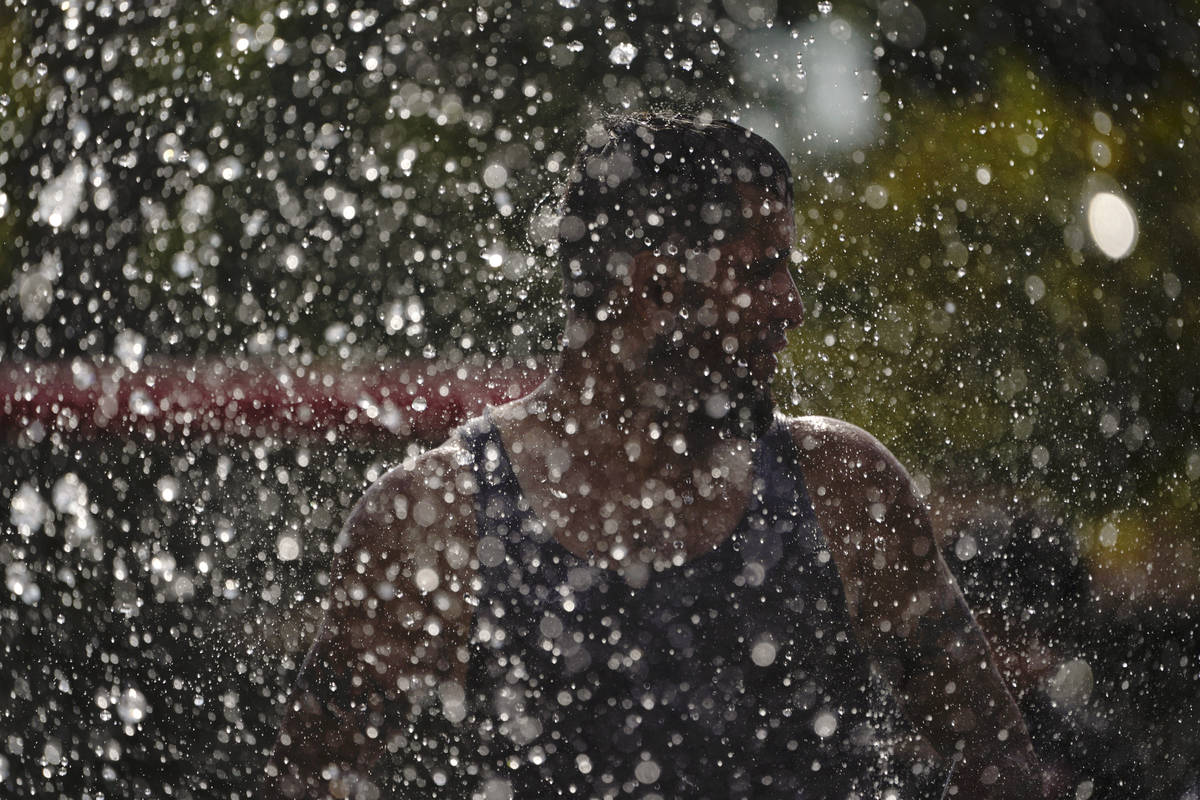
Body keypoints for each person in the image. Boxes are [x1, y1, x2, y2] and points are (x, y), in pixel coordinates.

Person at [265, 112, 1044, 799]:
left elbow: (999, 761)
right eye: (761, 270)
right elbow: (312, 778)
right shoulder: (441, 517)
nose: (792, 306)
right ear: (655, 282)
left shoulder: (843, 487)